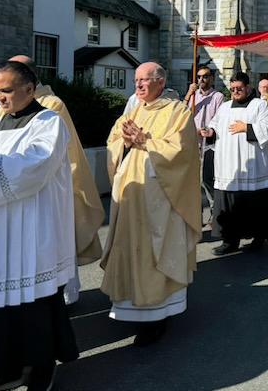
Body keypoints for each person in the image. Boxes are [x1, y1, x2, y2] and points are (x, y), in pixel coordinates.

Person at [0, 60, 77, 391]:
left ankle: (41, 368)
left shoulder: (49, 122)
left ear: (28, 88)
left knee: (33, 303)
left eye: (6, 90)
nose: (0, 98)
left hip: (31, 228)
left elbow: (35, 168)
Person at [101, 62, 201, 345]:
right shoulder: (132, 111)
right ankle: (130, 306)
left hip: (161, 199)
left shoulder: (177, 112)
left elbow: (181, 151)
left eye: (144, 80)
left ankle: (157, 314)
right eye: (136, 80)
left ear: (160, 82)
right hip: (131, 196)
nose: (139, 85)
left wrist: (145, 141)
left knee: (154, 252)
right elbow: (113, 144)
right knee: (129, 249)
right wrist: (126, 143)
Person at [0, 55, 105, 305]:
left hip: (45, 187)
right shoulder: (6, 103)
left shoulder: (50, 105)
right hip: (9, 185)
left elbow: (46, 152)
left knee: (50, 247)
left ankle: (63, 296)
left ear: (27, 79)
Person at [202, 73, 268, 255]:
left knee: (254, 206)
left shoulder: (259, 106)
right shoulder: (223, 107)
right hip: (228, 167)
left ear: (247, 87)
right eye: (232, 89)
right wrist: (210, 131)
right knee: (229, 206)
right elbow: (215, 124)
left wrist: (246, 128)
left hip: (252, 168)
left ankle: (258, 237)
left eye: (239, 88)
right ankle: (230, 241)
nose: (235, 92)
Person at [182, 67, 224, 231]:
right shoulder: (194, 96)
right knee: (192, 183)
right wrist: (188, 94)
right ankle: (194, 216)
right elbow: (180, 113)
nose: (201, 79)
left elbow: (219, 118)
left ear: (211, 78)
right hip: (192, 143)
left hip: (209, 143)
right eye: (199, 77)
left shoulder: (217, 97)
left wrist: (210, 130)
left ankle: (214, 214)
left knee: (207, 180)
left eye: (205, 76)